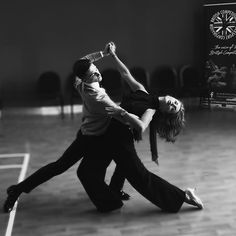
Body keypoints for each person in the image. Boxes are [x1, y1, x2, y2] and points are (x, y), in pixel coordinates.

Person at [3, 42, 133, 214]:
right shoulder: (97, 96)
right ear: (85, 79)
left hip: (95, 133)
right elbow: (120, 113)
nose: (97, 72)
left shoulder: (79, 81)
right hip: (89, 139)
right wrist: (146, 112)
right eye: (92, 74)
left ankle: (114, 190)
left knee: (122, 156)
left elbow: (84, 60)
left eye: (95, 68)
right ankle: (17, 190)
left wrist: (103, 53)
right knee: (59, 167)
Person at [75, 42, 204, 213]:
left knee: (141, 178)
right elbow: (125, 73)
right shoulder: (143, 91)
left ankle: (183, 195)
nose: (173, 104)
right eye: (176, 103)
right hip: (109, 135)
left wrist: (123, 113)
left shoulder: (151, 109)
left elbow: (141, 126)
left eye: (173, 108)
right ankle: (110, 201)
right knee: (85, 171)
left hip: (120, 141)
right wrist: (113, 55)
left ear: (165, 112)